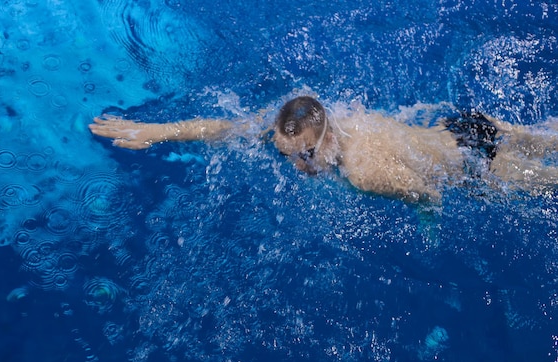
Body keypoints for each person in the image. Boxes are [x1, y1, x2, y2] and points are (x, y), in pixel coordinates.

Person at [89, 96, 558, 204]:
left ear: (327, 139)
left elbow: (428, 192)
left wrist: (427, 221)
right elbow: (224, 128)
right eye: (288, 153)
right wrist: (155, 129)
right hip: (462, 125)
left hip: (476, 163)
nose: (295, 165)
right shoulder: (306, 123)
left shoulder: (363, 171)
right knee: (546, 136)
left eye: (305, 157)